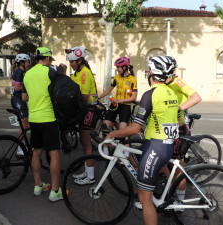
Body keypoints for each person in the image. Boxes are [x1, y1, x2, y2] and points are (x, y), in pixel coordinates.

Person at [105, 56, 179, 225]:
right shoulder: (171, 92)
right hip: (167, 146)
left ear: (151, 73)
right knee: (154, 181)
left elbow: (134, 129)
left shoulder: (150, 95)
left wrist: (112, 134)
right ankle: (170, 195)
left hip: (155, 147)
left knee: (145, 199)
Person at [22, 47, 67, 201]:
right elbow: (63, 89)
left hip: (33, 118)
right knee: (54, 153)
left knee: (36, 152)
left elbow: (24, 97)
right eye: (50, 60)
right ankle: (55, 191)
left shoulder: (27, 74)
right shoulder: (50, 71)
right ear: (47, 59)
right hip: (48, 117)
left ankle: (38, 185)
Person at [164, 55, 201, 207]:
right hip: (167, 128)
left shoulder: (176, 81)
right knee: (163, 162)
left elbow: (196, 97)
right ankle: (170, 189)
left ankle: (179, 201)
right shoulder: (162, 84)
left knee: (178, 167)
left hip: (178, 129)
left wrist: (178, 108)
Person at [65, 46, 98, 185]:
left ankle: (91, 177)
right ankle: (87, 171)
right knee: (85, 145)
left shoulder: (85, 73)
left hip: (89, 109)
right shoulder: (76, 73)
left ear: (79, 60)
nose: (70, 64)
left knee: (86, 143)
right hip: (82, 110)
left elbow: (83, 97)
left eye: (72, 61)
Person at [97, 56, 138, 167]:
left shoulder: (132, 79)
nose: (117, 69)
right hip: (115, 104)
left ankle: (125, 154)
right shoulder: (116, 78)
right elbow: (108, 90)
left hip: (125, 106)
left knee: (123, 130)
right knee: (105, 125)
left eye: (118, 67)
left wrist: (121, 100)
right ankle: (106, 149)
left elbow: (133, 98)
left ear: (125, 67)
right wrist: (98, 97)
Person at [11, 53, 30, 156]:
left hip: (19, 99)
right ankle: (19, 148)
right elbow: (17, 88)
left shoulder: (20, 71)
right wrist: (29, 85)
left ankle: (23, 145)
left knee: (25, 124)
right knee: (24, 125)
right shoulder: (20, 72)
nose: (28, 64)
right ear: (22, 63)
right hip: (17, 99)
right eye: (27, 62)